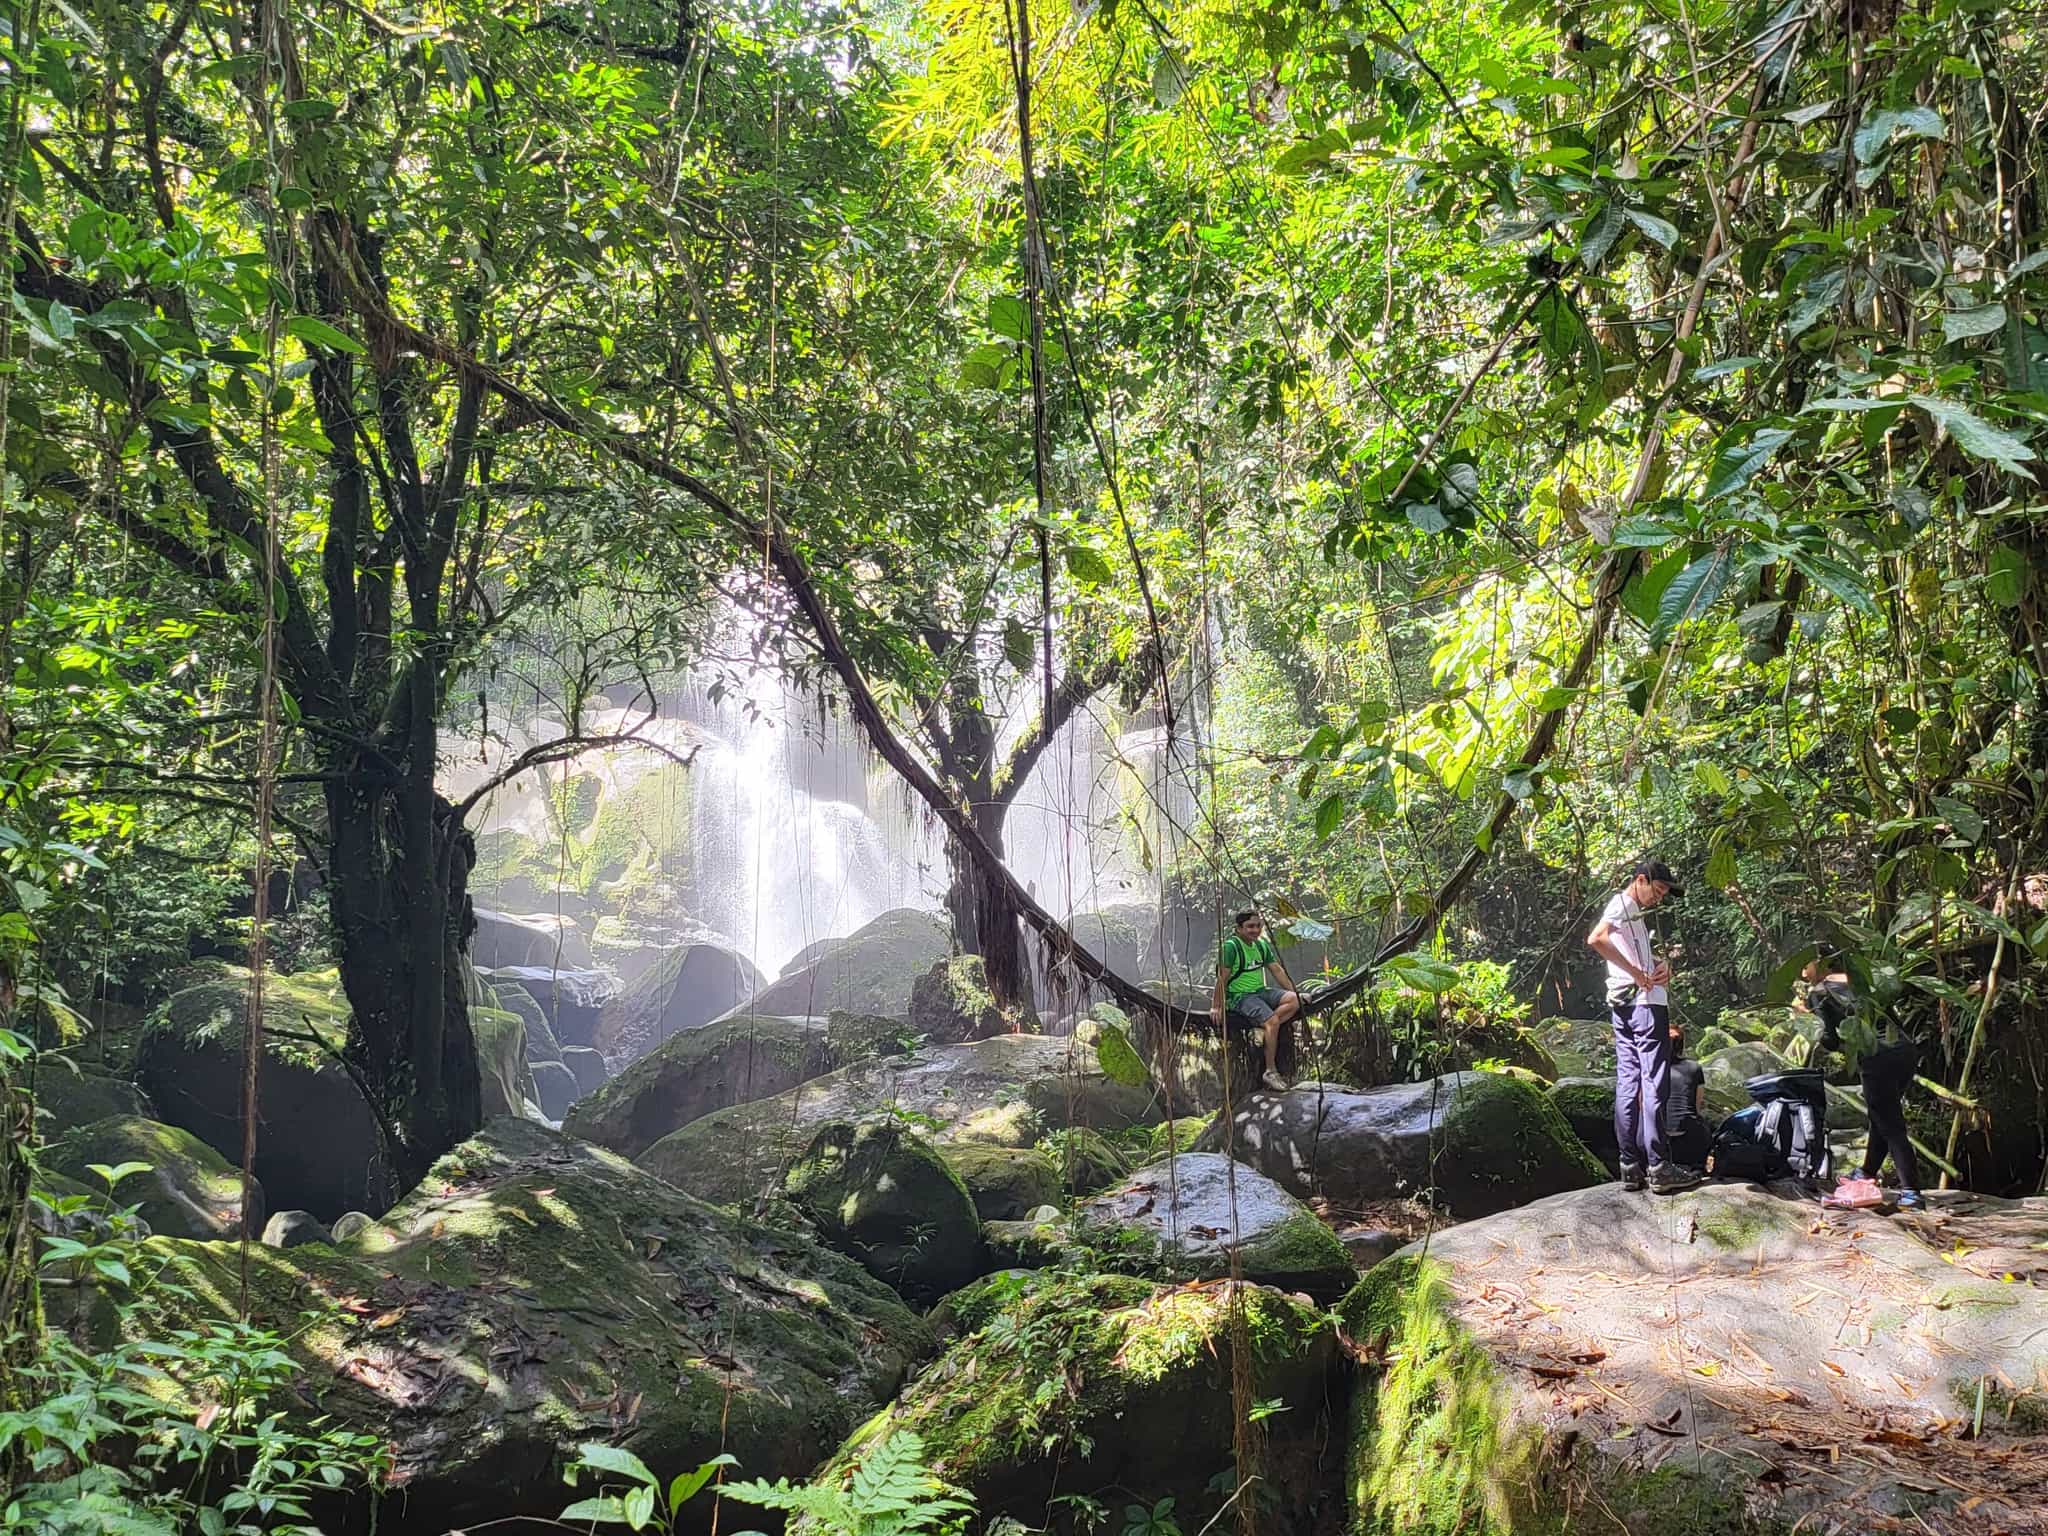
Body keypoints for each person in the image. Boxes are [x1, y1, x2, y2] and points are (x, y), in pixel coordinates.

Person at [1586, 859, 1700, 1194]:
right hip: (1643, 1005)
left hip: (1623, 1003)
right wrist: (1639, 975)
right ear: (1641, 880)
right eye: (1658, 889)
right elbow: (1596, 938)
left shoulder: (1631, 911)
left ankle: (1630, 1166)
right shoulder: (1623, 903)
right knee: (1653, 1082)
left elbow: (1625, 952)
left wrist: (1656, 966)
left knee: (1628, 1079)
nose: (1659, 898)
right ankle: (1659, 1166)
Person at [1801, 958, 1924, 1211]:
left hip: (1875, 1054)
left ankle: (1911, 1192)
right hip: (1904, 1050)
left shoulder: (1819, 992)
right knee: (1882, 1116)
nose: (1803, 973)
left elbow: (1830, 1040)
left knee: (1891, 1124)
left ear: (1820, 963)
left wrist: (1804, 1018)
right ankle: (1866, 1172)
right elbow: (1893, 1021)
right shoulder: (1860, 980)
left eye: (1805, 966)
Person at [1210, 910, 1300, 1094]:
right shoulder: (1230, 947)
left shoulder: (1261, 945)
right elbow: (1222, 979)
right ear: (1238, 929)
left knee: (1293, 1000)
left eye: (1258, 926)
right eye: (1250, 926)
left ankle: (1266, 1029)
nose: (1255, 930)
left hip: (1260, 992)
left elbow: (1277, 970)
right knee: (1273, 1022)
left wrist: (1295, 991)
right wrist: (1216, 1006)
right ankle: (1270, 1071)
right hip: (1240, 996)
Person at [1662, 1021, 1713, 1173]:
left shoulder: (1651, 1069)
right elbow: (1696, 1107)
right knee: (1702, 1123)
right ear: (1681, 1044)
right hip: (1690, 1140)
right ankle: (1697, 1167)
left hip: (1660, 1143)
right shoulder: (1694, 1067)